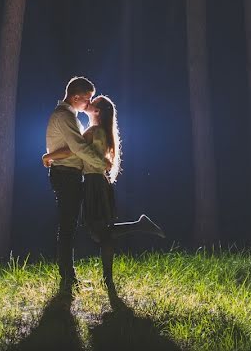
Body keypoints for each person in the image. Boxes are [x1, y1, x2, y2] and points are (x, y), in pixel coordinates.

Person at [43, 94, 164, 301]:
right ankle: (108, 279)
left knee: (100, 233)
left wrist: (49, 156)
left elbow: (77, 152)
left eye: (92, 104)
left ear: (96, 111)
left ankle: (138, 227)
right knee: (101, 232)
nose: (87, 105)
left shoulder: (95, 131)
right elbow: (89, 155)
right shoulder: (98, 131)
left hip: (94, 183)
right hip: (96, 182)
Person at [43, 76, 101, 292]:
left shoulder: (70, 116)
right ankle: (68, 277)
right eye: (87, 99)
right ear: (75, 97)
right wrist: (101, 163)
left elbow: (71, 147)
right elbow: (77, 148)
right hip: (65, 174)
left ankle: (68, 275)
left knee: (70, 225)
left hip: (68, 173)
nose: (89, 104)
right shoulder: (64, 116)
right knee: (67, 226)